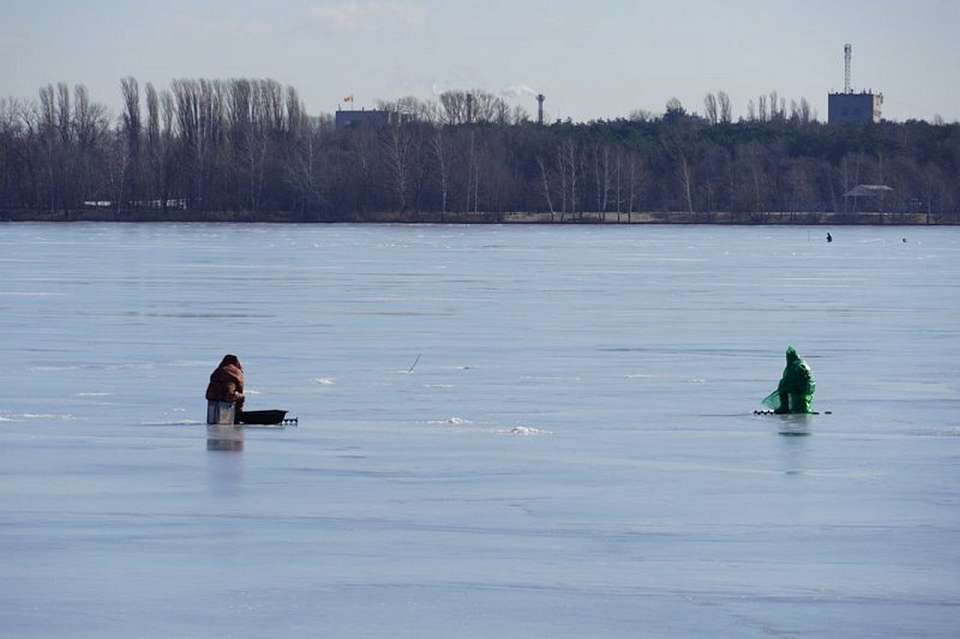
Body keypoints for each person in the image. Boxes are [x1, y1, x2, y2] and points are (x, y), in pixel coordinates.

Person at [762, 346, 816, 414]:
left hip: (800, 386)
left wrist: (783, 385)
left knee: (784, 390)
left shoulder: (795, 365)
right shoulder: (800, 364)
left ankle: (785, 408)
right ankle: (802, 409)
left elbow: (788, 378)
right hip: (807, 386)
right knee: (803, 399)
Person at [206, 354, 245, 423]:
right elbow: (240, 389)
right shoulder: (237, 372)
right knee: (241, 397)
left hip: (212, 397)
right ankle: (238, 415)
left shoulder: (217, 371)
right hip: (227, 397)